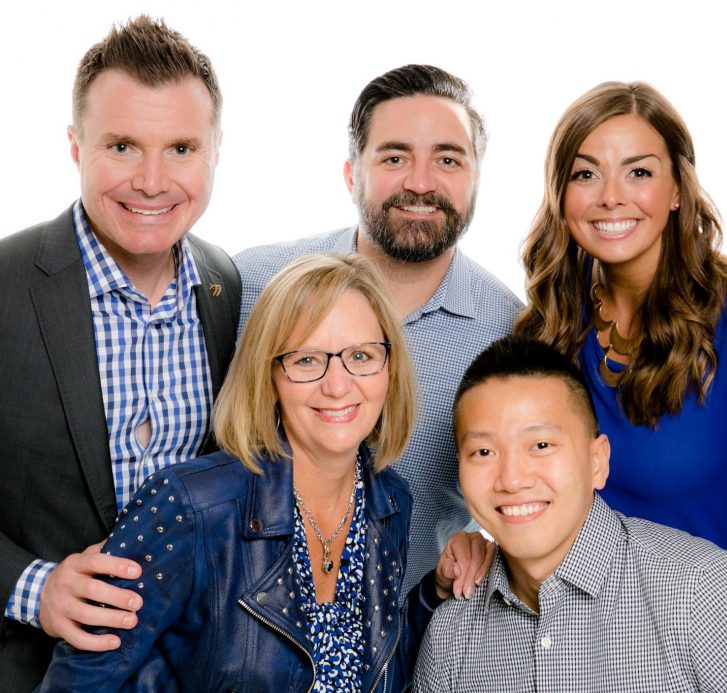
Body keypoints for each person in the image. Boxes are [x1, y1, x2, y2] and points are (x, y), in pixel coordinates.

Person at [41, 254, 490, 692]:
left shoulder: (389, 501)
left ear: (389, 368)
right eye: (307, 360)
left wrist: (434, 592)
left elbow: (364, 666)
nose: (337, 385)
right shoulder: (189, 506)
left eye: (361, 355)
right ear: (268, 375)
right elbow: (78, 681)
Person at [0, 17, 240, 690]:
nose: (153, 180)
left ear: (217, 151)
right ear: (76, 145)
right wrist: (32, 586)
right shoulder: (6, 283)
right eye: (123, 145)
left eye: (182, 148)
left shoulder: (225, 288)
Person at [413, 335, 727, 692]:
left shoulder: (705, 593)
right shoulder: (452, 637)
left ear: (598, 461)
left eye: (541, 445)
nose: (511, 478)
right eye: (483, 452)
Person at [235, 64, 521, 595]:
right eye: (394, 157)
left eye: (448, 159)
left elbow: (508, 496)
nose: (420, 183)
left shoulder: (509, 333)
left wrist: (481, 539)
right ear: (351, 175)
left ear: (476, 177)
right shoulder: (252, 286)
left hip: (407, 648)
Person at [515, 82, 727, 580]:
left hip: (708, 634)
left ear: (676, 189)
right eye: (586, 173)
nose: (611, 197)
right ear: (560, 192)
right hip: (574, 635)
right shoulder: (554, 311)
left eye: (639, 172)